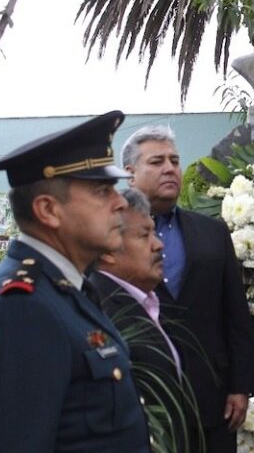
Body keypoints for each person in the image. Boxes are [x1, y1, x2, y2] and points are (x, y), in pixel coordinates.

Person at [0, 111, 150, 452]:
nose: (121, 201)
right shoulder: (19, 311)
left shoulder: (63, 288)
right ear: (48, 210)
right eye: (103, 191)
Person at [122, 125, 254, 452]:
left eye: (174, 160)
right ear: (130, 174)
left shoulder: (212, 232)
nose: (169, 169)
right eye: (156, 162)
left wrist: (240, 386)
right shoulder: (110, 235)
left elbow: (235, 312)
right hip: (142, 397)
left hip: (212, 400)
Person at [90, 188, 193, 452]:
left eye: (155, 232)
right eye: (144, 235)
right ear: (107, 251)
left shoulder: (148, 300)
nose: (158, 244)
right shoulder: (100, 310)